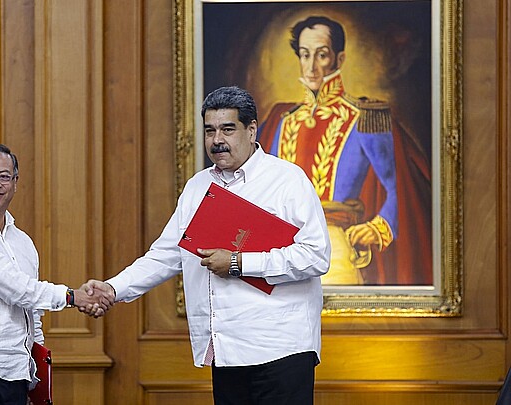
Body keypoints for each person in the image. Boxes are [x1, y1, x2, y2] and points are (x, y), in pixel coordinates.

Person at [84, 86, 331, 404]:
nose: (217, 140)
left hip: (281, 348)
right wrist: (113, 289)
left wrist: (239, 262)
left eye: (228, 129)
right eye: (210, 130)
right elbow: (166, 254)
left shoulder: (287, 180)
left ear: (251, 129)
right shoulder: (197, 187)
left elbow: (315, 256)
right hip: (225, 349)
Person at [256, 15, 432, 285]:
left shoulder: (365, 117)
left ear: (339, 60)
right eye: (305, 55)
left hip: (334, 245)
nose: (311, 67)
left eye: (321, 55)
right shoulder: (281, 119)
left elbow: (398, 188)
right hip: (278, 246)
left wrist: (378, 227)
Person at [0, 143, 111, 405]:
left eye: (4, 176)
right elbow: (11, 286)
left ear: (15, 182)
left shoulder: (23, 242)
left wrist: (34, 379)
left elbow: (32, 314)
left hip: (16, 376)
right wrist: (74, 297)